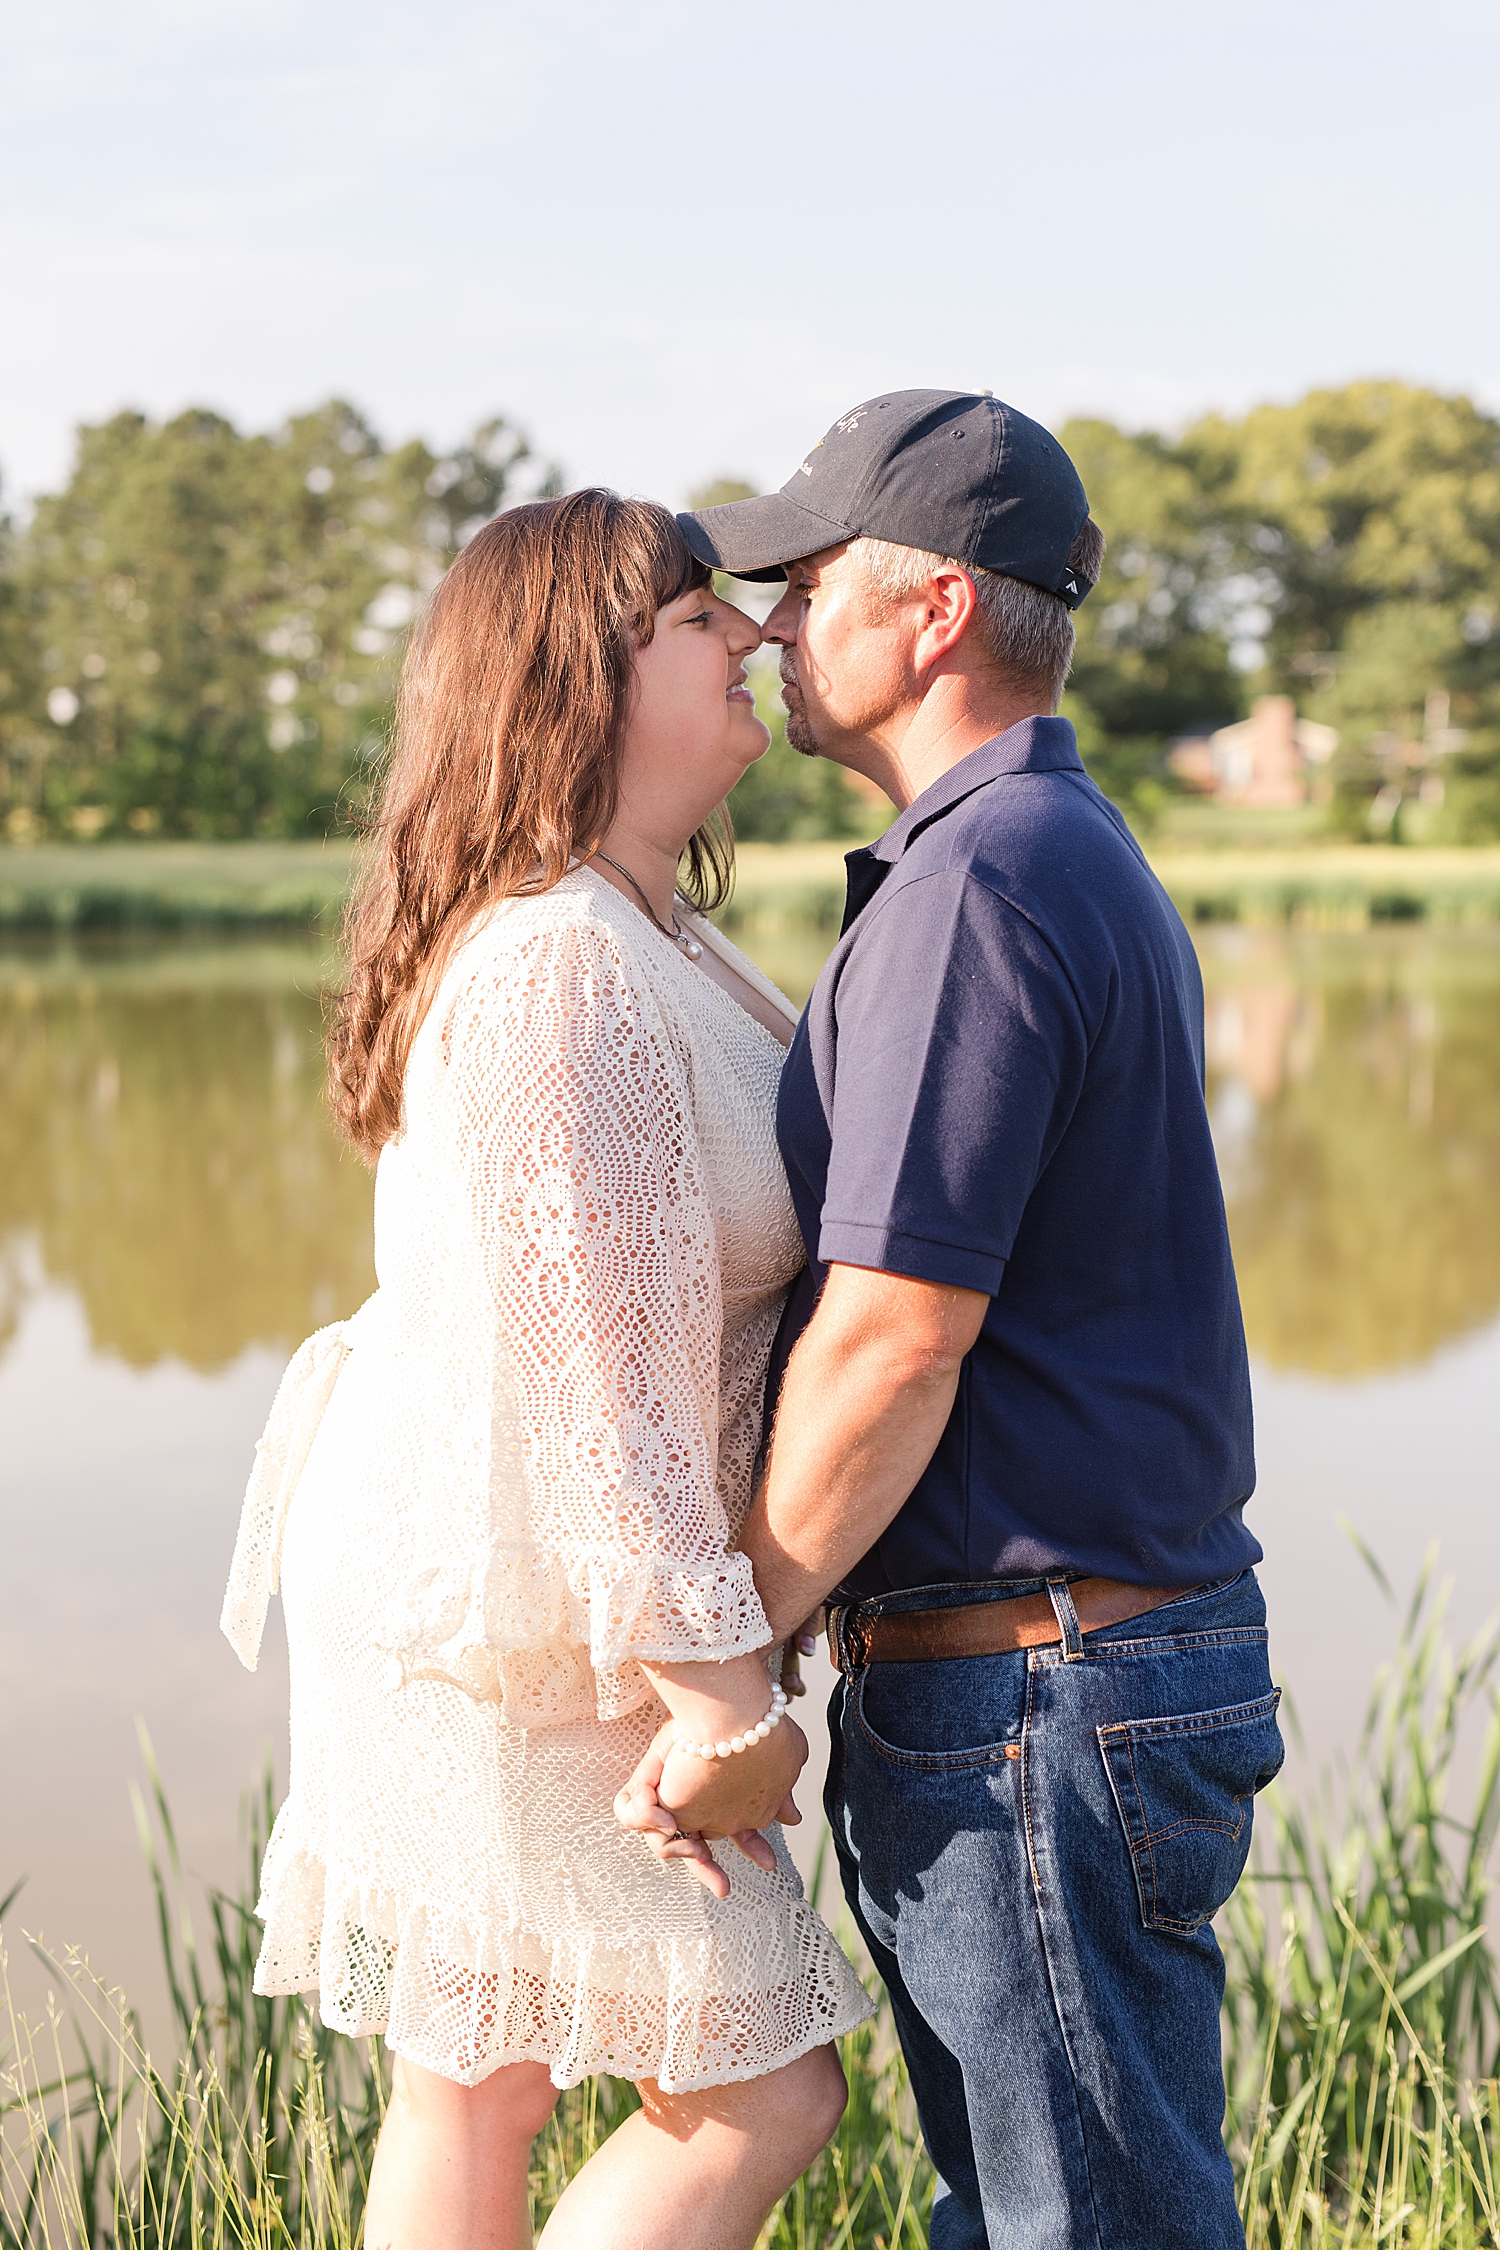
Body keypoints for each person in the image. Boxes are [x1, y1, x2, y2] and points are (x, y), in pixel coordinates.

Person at [619, 391, 1284, 2250]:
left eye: (805, 578)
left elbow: (892, 1337)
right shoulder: (1040, 850)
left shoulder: (980, 886)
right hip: (1064, 1677)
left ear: (927, 612)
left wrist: (723, 1659)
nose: (768, 622)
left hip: (1036, 1698)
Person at [220, 489, 871, 2250]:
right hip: (508, 1617)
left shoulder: (652, 933)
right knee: (756, 2088)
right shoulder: (553, 973)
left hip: (551, 1594)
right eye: (693, 621)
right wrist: (718, 1690)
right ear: (575, 683)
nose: (748, 633)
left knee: (479, 2076)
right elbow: (594, 1395)